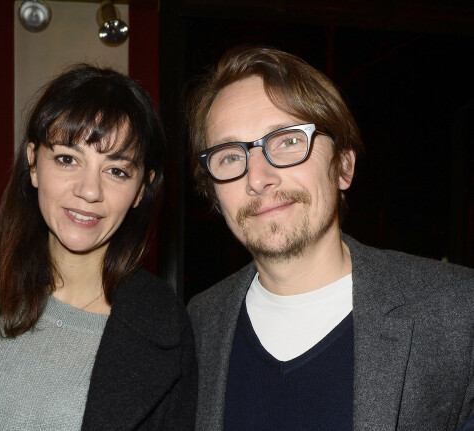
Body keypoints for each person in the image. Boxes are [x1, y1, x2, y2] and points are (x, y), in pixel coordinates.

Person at [186, 45, 474, 430]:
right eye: (230, 156)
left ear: (343, 167)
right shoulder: (195, 326)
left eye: (287, 141)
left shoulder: (456, 312)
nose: (257, 178)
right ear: (215, 195)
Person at [0, 64, 197, 430]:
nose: (89, 191)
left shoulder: (168, 328)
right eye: (67, 159)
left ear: (141, 189)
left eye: (117, 171)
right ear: (34, 163)